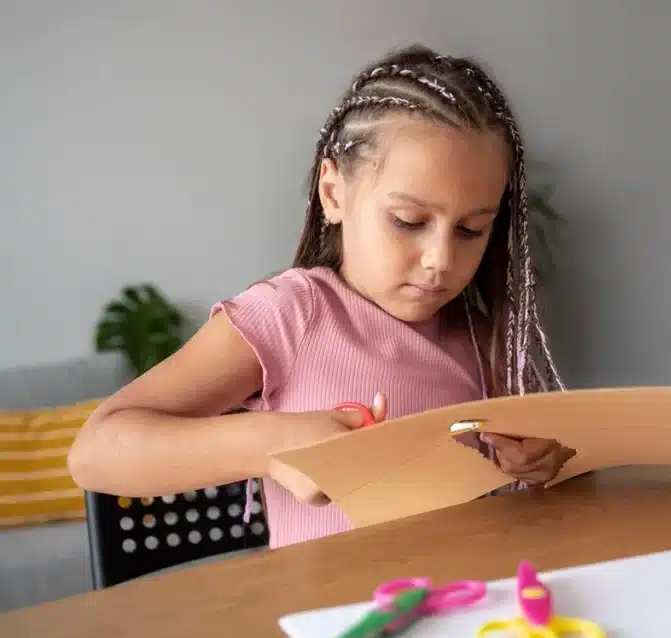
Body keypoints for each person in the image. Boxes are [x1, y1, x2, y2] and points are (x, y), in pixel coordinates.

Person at [68, 44, 576, 549]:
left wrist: (537, 467)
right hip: (333, 623)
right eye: (408, 222)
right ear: (333, 194)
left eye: (470, 229)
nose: (440, 259)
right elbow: (97, 450)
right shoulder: (291, 314)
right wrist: (277, 446)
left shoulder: (484, 341)